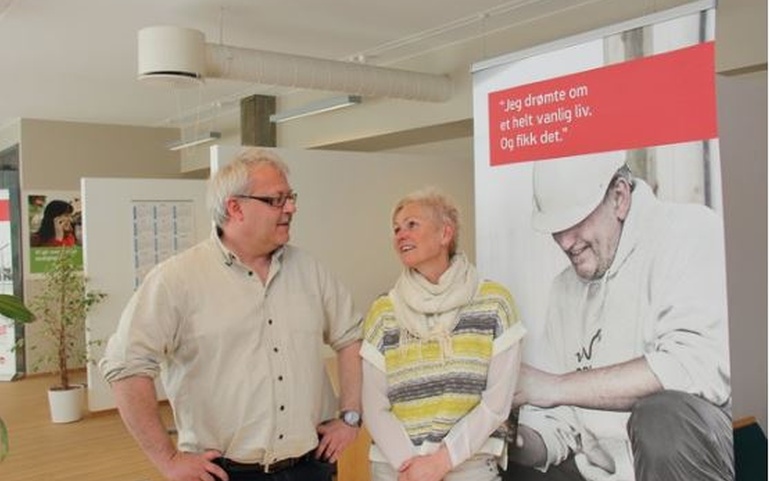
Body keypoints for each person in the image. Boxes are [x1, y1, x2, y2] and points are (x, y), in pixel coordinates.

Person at [100, 147, 363, 481]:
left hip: (310, 467)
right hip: (225, 473)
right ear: (234, 207)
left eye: (291, 197)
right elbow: (125, 366)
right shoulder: (177, 279)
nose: (291, 208)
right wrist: (167, 459)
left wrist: (351, 416)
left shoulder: (309, 271)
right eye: (276, 200)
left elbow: (351, 337)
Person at [505, 152, 733, 481]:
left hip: (694, 454)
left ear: (620, 197)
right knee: (512, 468)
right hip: (602, 472)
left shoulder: (689, 231)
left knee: (662, 417)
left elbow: (693, 368)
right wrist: (510, 440)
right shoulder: (564, 290)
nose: (566, 242)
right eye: (556, 229)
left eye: (575, 222)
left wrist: (553, 386)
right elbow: (562, 428)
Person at [361, 187, 526, 481]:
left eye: (412, 224)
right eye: (396, 228)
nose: (400, 235)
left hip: (469, 467)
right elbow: (374, 405)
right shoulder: (383, 311)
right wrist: (411, 466)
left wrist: (439, 463)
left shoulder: (494, 303)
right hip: (397, 469)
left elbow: (497, 403)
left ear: (445, 234)